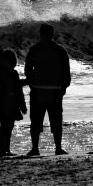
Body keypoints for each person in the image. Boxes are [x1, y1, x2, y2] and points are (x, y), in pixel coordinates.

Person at [24, 23, 71, 156]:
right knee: (56, 121)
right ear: (52, 34)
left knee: (36, 121)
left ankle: (35, 149)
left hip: (39, 91)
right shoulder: (60, 50)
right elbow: (66, 71)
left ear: (41, 34)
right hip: (54, 90)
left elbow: (27, 69)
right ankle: (58, 148)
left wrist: (32, 83)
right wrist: (64, 87)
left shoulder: (34, 49)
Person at [0, 49, 26, 158]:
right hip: (4, 100)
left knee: (10, 126)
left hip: (11, 101)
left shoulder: (12, 72)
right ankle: (2, 150)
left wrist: (23, 106)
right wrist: (25, 82)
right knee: (4, 126)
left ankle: (6, 149)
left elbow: (17, 89)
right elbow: (10, 86)